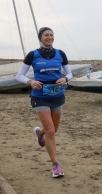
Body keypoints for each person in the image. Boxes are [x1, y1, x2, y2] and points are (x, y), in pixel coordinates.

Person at [16, 27, 73, 178]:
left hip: (57, 94)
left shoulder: (61, 54)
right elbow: (19, 75)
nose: (49, 37)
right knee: (51, 131)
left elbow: (69, 73)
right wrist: (30, 81)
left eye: (51, 35)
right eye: (46, 35)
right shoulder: (32, 55)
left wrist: (65, 78)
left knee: (54, 129)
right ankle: (55, 165)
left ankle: (38, 132)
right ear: (40, 38)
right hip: (40, 95)